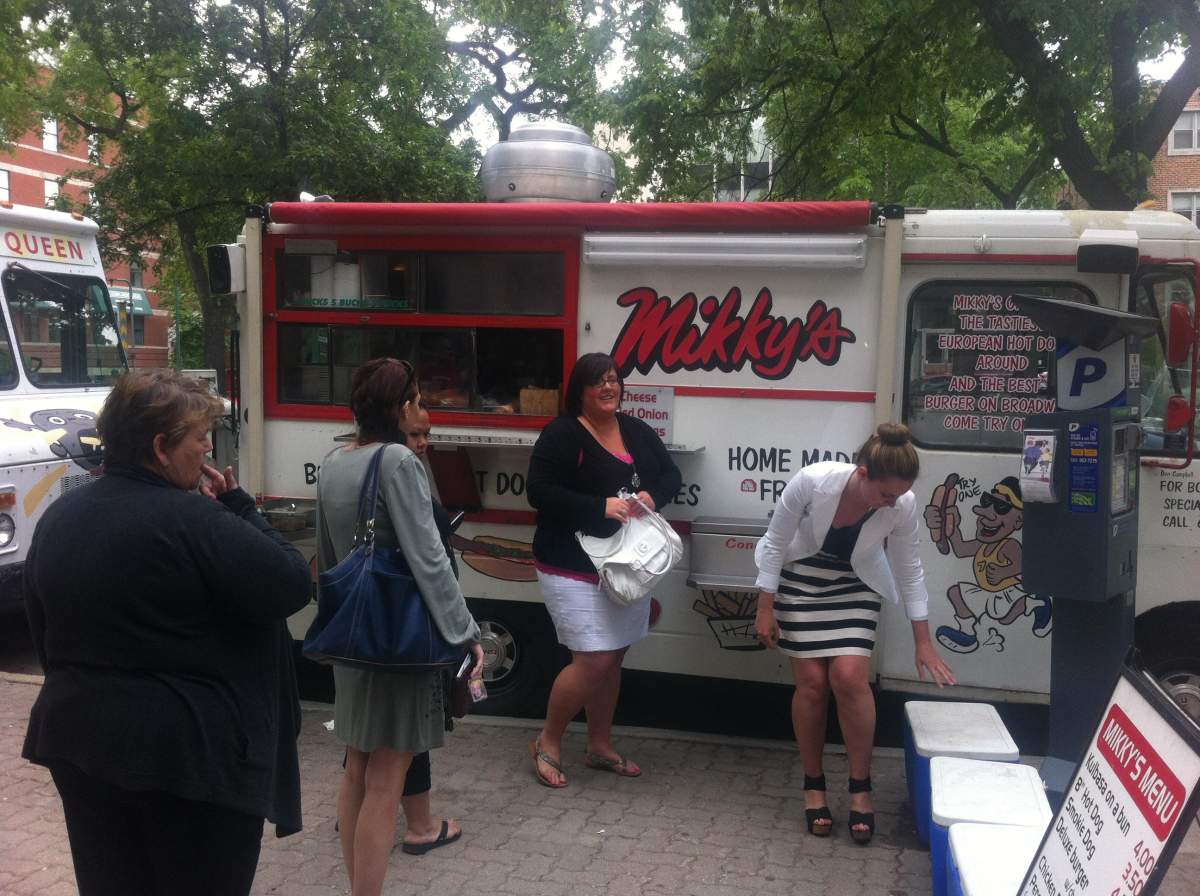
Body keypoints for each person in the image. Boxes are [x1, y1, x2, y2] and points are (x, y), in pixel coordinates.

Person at [21, 369, 311, 896]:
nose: (207, 448)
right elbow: (290, 582)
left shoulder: (60, 517)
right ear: (160, 446)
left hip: (80, 744)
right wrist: (242, 506)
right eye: (199, 437)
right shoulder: (194, 520)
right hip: (189, 764)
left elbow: (44, 632)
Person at [317, 357, 483, 896]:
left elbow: (327, 558)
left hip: (354, 638)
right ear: (401, 406)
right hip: (398, 641)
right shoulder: (398, 463)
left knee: (356, 773)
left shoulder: (336, 459)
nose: (423, 408)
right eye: (417, 399)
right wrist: (466, 633)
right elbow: (429, 558)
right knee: (387, 780)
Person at [753, 423, 955, 844]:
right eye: (886, 494)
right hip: (801, 575)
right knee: (810, 685)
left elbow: (909, 568)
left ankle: (861, 788)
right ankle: (814, 785)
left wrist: (923, 640)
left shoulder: (902, 503)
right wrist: (764, 609)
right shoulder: (812, 482)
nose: (893, 503)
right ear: (862, 472)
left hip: (855, 582)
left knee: (848, 678)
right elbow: (774, 543)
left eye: (899, 495)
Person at [526, 352, 682, 787]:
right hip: (569, 563)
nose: (609, 388)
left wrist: (652, 497)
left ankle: (599, 745)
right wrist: (598, 505)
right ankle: (548, 742)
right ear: (580, 390)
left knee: (613, 658)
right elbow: (537, 491)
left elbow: (672, 474)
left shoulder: (634, 428)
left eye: (613, 380)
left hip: (627, 566)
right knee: (594, 660)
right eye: (598, 382)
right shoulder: (562, 433)